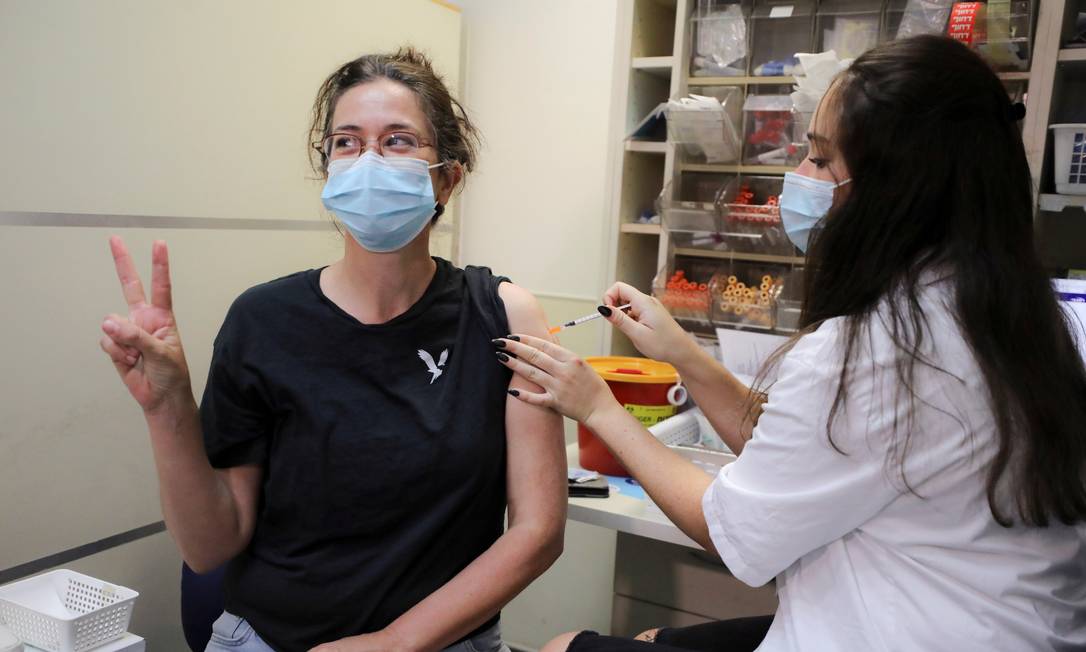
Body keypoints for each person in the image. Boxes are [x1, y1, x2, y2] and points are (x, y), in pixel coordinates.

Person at [494, 36, 1086, 651]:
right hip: (1008, 628)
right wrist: (681, 353)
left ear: (897, 190)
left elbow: (732, 532)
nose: (796, 179)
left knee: (564, 647)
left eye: (821, 159)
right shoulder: (1040, 325)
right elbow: (813, 448)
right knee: (651, 637)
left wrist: (597, 407)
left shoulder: (874, 351)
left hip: (905, 630)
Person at [98, 48, 567, 652]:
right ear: (329, 171)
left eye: (398, 141)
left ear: (447, 177)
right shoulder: (261, 321)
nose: (367, 161)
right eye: (346, 143)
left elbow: (537, 530)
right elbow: (210, 545)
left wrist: (395, 643)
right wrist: (166, 408)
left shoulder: (503, 316)